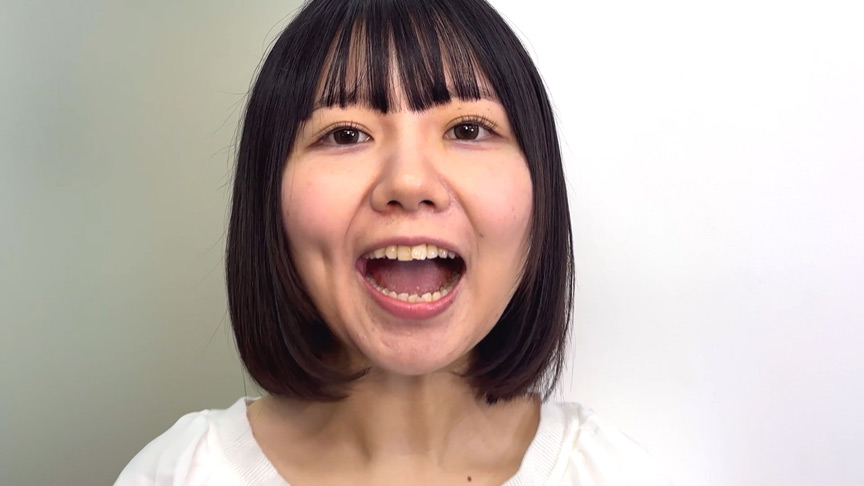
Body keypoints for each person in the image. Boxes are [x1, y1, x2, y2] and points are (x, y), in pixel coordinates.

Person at [115, 0, 671, 484]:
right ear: (269, 197)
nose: (408, 182)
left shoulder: (614, 474)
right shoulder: (179, 474)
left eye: (468, 129)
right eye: (345, 134)